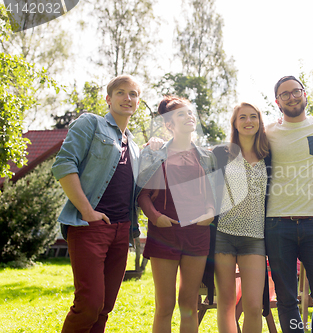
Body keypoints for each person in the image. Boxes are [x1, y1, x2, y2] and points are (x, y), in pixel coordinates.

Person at [52, 75, 142, 333]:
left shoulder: (134, 146)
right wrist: (87, 211)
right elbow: (63, 164)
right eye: (121, 93)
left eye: (133, 94)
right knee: (89, 304)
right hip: (89, 227)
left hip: (122, 230)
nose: (128, 98)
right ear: (108, 98)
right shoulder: (91, 124)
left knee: (104, 307)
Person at [136, 95, 217, 333]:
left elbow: (214, 192)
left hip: (197, 235)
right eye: (181, 114)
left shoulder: (206, 155)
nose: (189, 117)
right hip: (164, 233)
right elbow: (142, 194)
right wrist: (155, 217)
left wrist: (211, 212)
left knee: (189, 303)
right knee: (165, 305)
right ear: (168, 124)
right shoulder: (154, 153)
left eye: (190, 113)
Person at [265, 76, 313, 333]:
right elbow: (236, 145)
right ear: (277, 102)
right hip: (276, 225)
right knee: (286, 299)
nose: (292, 97)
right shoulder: (268, 131)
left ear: (305, 94)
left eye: (296, 91)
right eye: (285, 94)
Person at [212, 102, 272, 333]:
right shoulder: (221, 154)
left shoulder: (269, 156)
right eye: (243, 117)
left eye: (253, 116)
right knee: (226, 304)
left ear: (259, 121)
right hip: (223, 235)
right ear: (235, 124)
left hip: (255, 237)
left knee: (254, 305)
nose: (248, 121)